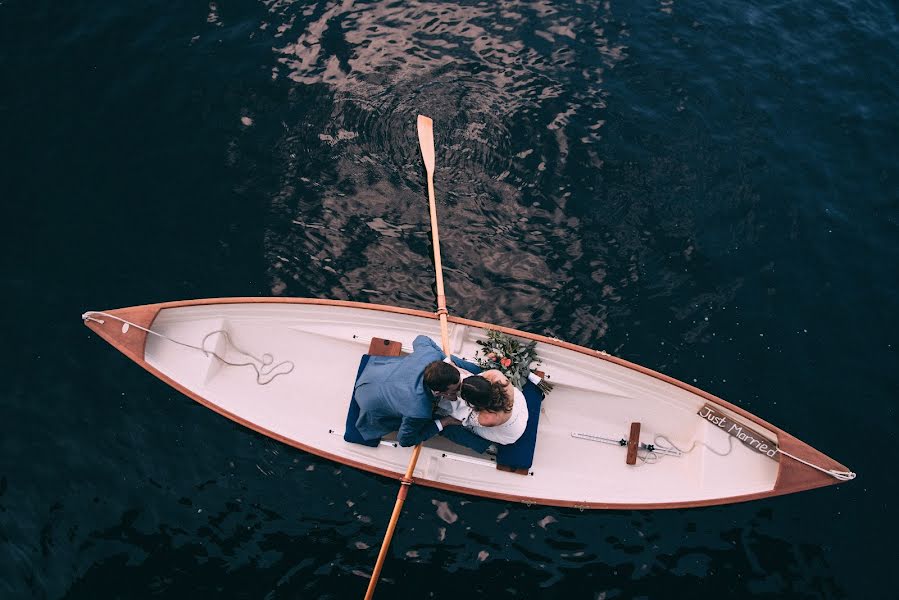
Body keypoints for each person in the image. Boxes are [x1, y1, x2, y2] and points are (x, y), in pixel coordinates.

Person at [353, 335, 489, 452]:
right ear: (438, 392)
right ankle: (486, 446)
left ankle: (483, 374)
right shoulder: (418, 412)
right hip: (368, 399)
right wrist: (446, 421)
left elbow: (421, 338)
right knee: (441, 422)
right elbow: (405, 440)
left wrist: (449, 364)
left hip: (377, 372)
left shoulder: (430, 354)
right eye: (454, 391)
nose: (459, 392)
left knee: (452, 360)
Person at [440, 369, 528, 445]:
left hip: (511, 432)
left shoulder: (488, 418)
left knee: (463, 419)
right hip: (517, 402)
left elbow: (464, 419)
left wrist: (451, 398)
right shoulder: (496, 376)